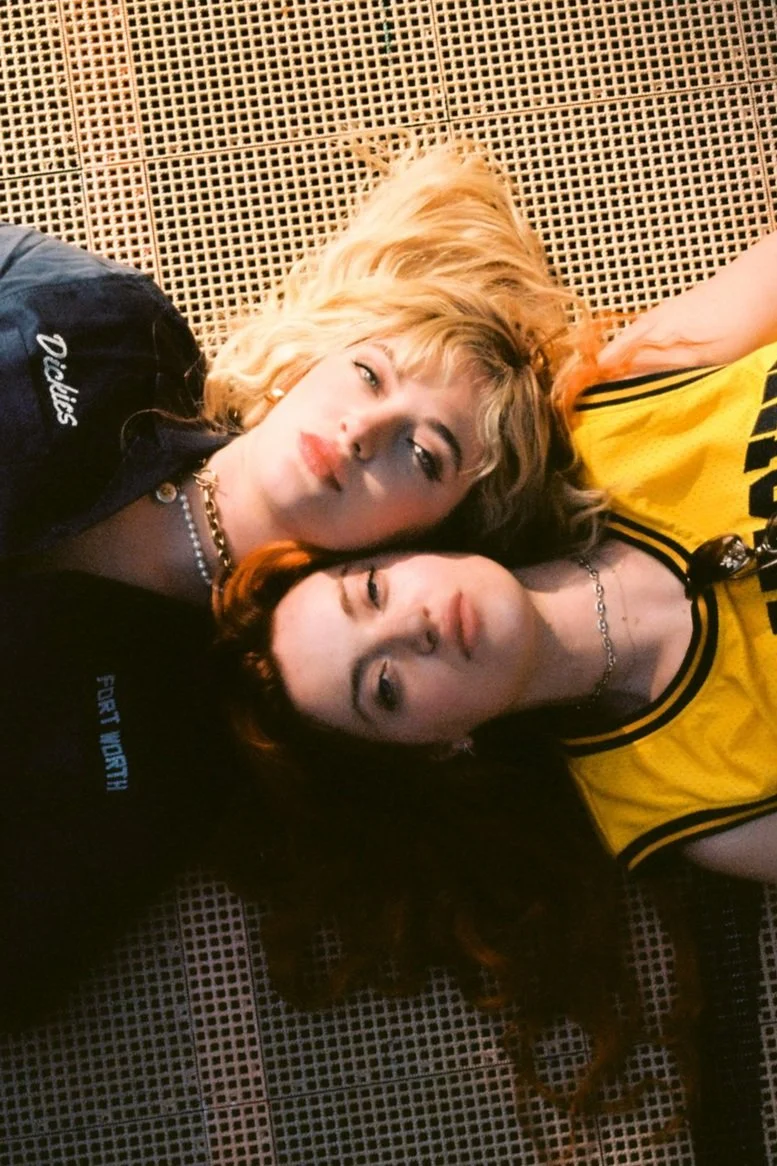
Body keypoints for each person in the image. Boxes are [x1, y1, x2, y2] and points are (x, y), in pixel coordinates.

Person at [0, 139, 607, 1026]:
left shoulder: (178, 747)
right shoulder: (112, 331)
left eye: (422, 454)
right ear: (314, 363)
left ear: (427, 542)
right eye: (369, 375)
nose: (363, 429)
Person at [211, 238, 777, 1119]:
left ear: (406, 545)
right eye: (384, 688)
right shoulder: (679, 803)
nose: (409, 627)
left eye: (372, 591)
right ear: (441, 748)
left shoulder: (617, 405)